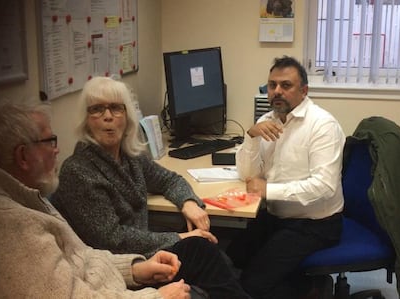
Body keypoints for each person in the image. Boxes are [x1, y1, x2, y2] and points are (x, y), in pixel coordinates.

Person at [50, 76, 252, 299]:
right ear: (86, 121)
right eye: (97, 110)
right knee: (202, 251)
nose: (108, 116)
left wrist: (188, 202)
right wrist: (178, 238)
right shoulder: (78, 171)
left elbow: (168, 179)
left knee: (215, 257)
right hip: (119, 269)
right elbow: (112, 239)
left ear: (127, 116)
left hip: (146, 253)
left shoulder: (130, 156)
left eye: (116, 108)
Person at [0, 100, 192, 298]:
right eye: (49, 141)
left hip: (118, 280)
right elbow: (111, 243)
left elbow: (83, 256)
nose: (57, 150)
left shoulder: (32, 196)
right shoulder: (15, 226)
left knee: (201, 253)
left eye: (116, 108)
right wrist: (157, 297)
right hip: (120, 291)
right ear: (23, 157)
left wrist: (135, 269)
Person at [225, 56, 346, 299]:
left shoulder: (322, 125)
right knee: (230, 258)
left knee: (252, 285)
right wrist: (251, 136)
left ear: (304, 91)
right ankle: (296, 279)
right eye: (272, 85)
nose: (277, 91)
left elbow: (324, 187)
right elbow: (247, 175)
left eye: (286, 85)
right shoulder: (266, 121)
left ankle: (313, 290)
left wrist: (268, 190)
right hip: (275, 216)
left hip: (315, 223)